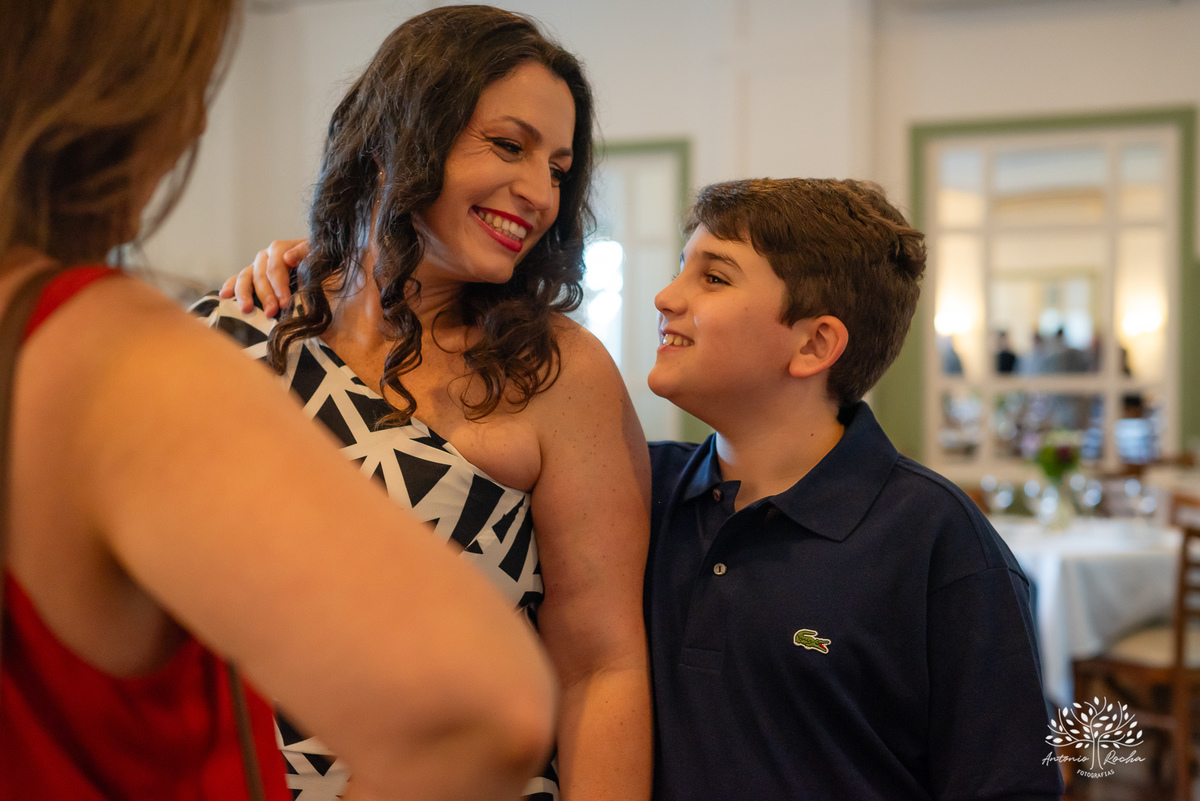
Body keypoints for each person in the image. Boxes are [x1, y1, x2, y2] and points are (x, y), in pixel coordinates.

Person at [0, 1, 558, 799]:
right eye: (190, 85)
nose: (193, 125)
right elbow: (484, 707)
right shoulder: (116, 350)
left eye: (559, 167)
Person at [203, 7, 651, 800]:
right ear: (397, 137)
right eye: (509, 146)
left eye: (557, 167)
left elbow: (600, 668)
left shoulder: (556, 375)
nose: (539, 192)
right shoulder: (242, 329)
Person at [644, 178, 1063, 800]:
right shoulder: (637, 494)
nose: (665, 297)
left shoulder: (936, 543)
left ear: (815, 344)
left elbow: (1006, 787)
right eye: (683, 268)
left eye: (714, 277)